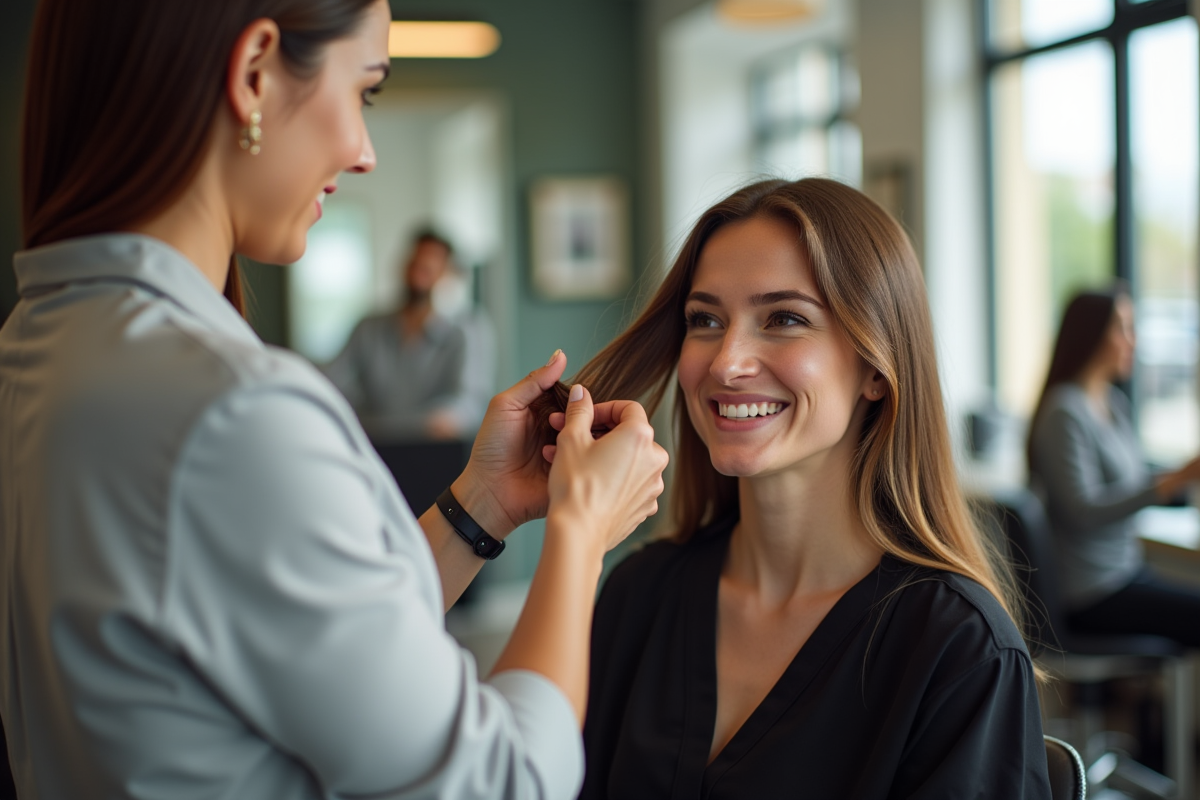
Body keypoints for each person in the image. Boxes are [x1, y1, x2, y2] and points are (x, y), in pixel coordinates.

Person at [0, 2, 669, 799]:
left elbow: (327, 633)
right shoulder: (235, 414)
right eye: (366, 92)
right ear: (254, 74)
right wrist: (581, 529)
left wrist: (479, 507)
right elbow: (507, 781)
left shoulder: (44, 342)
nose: (363, 152)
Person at [535, 178, 1051, 798]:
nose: (727, 362)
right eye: (705, 320)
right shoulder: (639, 593)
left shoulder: (959, 649)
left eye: (783, 318)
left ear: (876, 369)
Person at [1028, 286, 1200, 646]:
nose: (1132, 341)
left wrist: (1178, 482)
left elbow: (1132, 484)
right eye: (1122, 328)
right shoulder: (1064, 412)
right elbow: (1083, 511)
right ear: (1091, 334)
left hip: (1127, 572)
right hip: (1092, 592)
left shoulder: (1114, 404)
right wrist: (1168, 484)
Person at [323, 229, 488, 441]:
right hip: (374, 447)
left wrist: (445, 420)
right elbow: (333, 382)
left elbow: (469, 402)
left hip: (435, 450)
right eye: (416, 264)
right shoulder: (368, 328)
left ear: (448, 274)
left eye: (430, 268)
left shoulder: (468, 329)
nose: (420, 275)